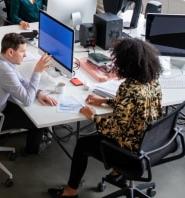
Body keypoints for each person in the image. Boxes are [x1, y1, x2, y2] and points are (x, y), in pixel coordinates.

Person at [47, 37, 163, 198]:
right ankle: (117, 173)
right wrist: (105, 101)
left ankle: (70, 191)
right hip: (148, 142)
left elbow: (112, 129)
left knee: (82, 144)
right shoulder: (152, 80)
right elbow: (134, 105)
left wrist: (92, 116)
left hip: (129, 149)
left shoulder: (129, 88)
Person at [0, 33, 57, 155]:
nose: (25, 55)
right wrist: (37, 72)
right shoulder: (5, 71)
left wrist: (38, 93)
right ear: (11, 52)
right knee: (38, 120)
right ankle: (32, 151)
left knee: (25, 109)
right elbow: (27, 99)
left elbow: (20, 80)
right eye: (22, 52)